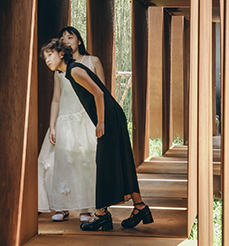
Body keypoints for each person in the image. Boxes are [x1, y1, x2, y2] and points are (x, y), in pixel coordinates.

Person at [41, 37, 154, 232]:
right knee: (120, 160)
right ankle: (140, 208)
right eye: (45, 57)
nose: (48, 60)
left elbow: (99, 93)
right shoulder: (68, 72)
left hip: (109, 118)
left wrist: (101, 122)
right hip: (111, 116)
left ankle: (102, 214)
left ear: (61, 53)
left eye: (50, 55)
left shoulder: (74, 70)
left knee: (104, 163)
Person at [37, 27, 103, 222]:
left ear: (79, 41)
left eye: (70, 36)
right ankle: (62, 206)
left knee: (86, 162)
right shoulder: (59, 70)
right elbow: (56, 99)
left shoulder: (92, 62)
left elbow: (102, 92)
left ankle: (85, 209)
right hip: (65, 120)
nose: (66, 40)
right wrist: (53, 126)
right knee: (63, 163)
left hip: (86, 119)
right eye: (62, 38)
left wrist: (101, 120)